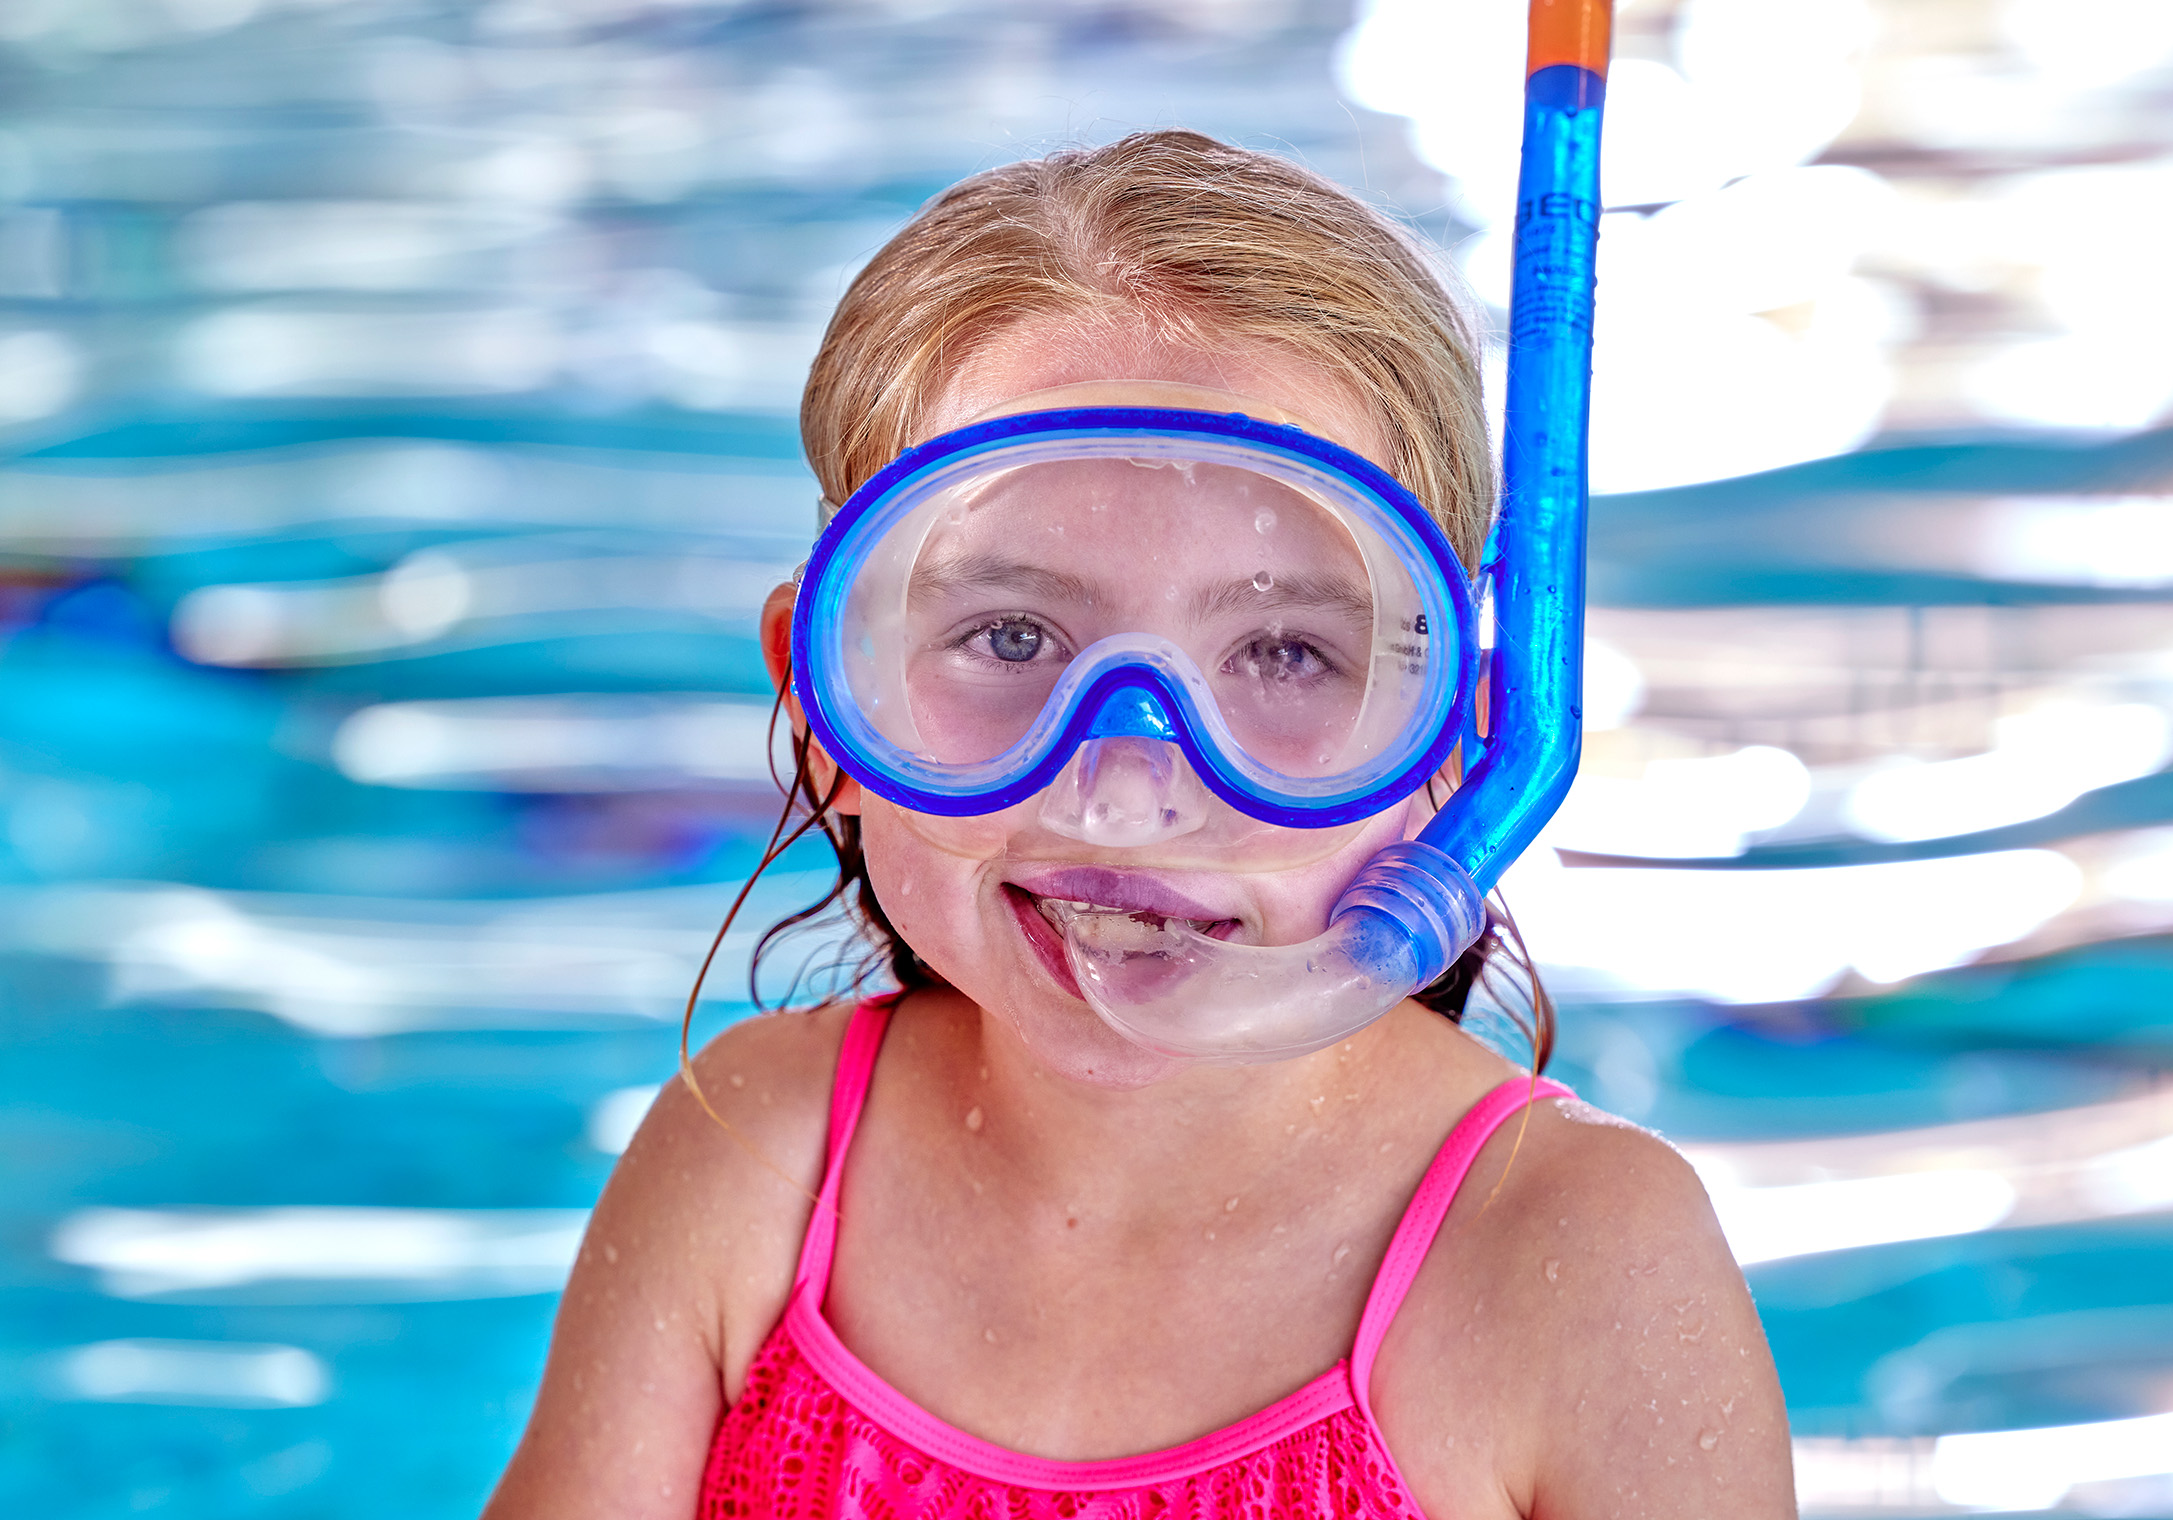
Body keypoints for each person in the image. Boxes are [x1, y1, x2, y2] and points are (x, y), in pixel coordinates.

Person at [483, 129, 1794, 1520]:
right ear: (824, 701)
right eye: (1009, 634)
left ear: (1459, 733)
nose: (1124, 785)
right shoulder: (757, 1162)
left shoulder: (1573, 1261)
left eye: (1287, 653)